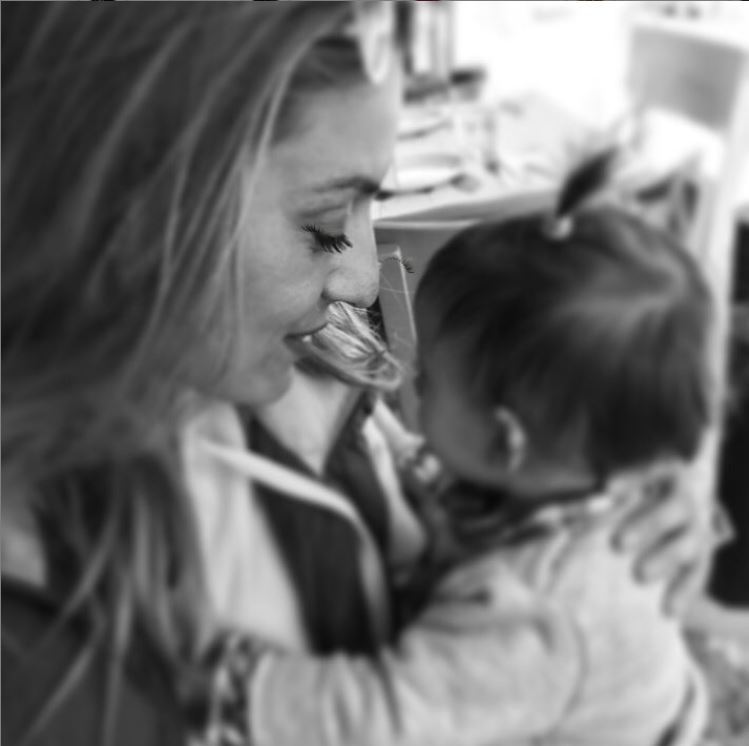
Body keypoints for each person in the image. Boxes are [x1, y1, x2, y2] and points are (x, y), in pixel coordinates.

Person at [0, 4, 716, 746]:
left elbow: (403, 487)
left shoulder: (303, 352)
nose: (366, 280)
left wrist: (614, 482)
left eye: (371, 201)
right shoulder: (40, 647)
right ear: (123, 202)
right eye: (325, 221)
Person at [407, 150, 717, 744]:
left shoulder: (527, 605)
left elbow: (387, 718)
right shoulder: (580, 477)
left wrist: (245, 683)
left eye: (427, 379)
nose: (409, 381)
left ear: (507, 441)